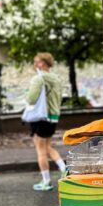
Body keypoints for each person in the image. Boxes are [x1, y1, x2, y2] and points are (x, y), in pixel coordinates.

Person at [26, 52, 66, 191]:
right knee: (47, 146)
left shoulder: (39, 79)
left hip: (41, 117)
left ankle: (46, 181)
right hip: (53, 117)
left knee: (40, 150)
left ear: (41, 63)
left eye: (36, 61)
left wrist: (27, 94)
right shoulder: (57, 79)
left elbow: (31, 99)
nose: (35, 64)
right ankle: (64, 169)